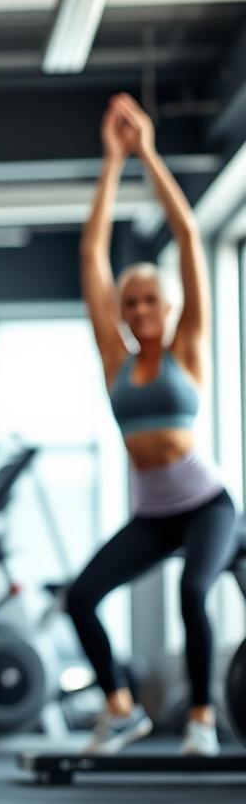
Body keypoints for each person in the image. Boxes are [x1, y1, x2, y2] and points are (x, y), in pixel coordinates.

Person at [71, 93, 239, 757]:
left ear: (167, 308)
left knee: (194, 591)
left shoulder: (187, 350)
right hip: (153, 515)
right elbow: (92, 257)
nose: (139, 308)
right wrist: (112, 162)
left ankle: (200, 719)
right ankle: (120, 707)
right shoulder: (116, 359)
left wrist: (147, 154)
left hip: (206, 505)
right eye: (130, 300)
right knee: (81, 598)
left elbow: (191, 235)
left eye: (150, 300)